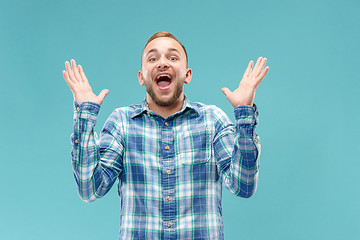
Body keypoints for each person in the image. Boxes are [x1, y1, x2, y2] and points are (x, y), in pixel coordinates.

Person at [63, 31, 269, 240]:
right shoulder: (121, 123)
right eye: (153, 58)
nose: (162, 63)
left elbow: (243, 185)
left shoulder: (212, 120)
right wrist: (85, 114)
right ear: (141, 77)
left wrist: (244, 113)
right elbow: (90, 189)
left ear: (187, 74)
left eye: (172, 57)